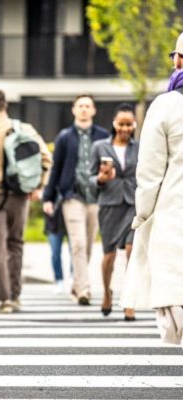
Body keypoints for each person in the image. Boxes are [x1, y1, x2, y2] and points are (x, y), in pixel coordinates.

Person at [0, 89, 52, 313]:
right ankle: (16, 295)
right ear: (5, 105)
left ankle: (3, 299)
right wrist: (38, 185)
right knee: (15, 243)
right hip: (18, 194)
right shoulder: (24, 128)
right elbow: (46, 157)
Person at [121, 33, 183, 319]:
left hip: (175, 209)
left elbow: (149, 171)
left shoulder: (167, 106)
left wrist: (142, 214)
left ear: (179, 61)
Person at [43, 94, 110, 306]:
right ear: (74, 110)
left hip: (96, 197)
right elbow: (56, 168)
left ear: (93, 110)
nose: (83, 109)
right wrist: (49, 197)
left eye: (87, 106)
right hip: (72, 197)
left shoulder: (102, 136)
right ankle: (83, 289)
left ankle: (77, 283)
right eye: (80, 106)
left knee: (88, 244)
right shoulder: (64, 137)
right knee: (78, 243)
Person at [90, 103, 139, 321]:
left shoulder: (140, 147)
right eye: (121, 124)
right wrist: (100, 179)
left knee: (131, 251)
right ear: (114, 124)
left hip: (133, 204)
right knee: (108, 255)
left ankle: (129, 302)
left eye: (129, 124)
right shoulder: (100, 147)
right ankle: (107, 292)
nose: (125, 128)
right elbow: (88, 177)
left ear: (134, 125)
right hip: (109, 205)